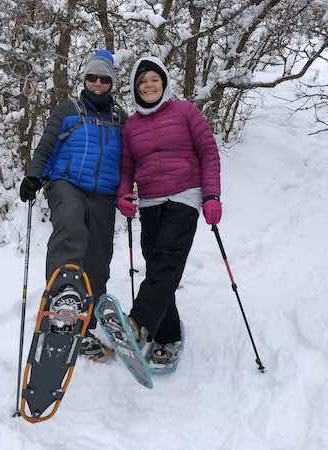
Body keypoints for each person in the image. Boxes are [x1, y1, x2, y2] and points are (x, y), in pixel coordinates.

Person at [19, 49, 126, 359]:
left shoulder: (121, 118)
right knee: (70, 222)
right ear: (84, 79)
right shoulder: (68, 110)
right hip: (67, 182)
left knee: (98, 258)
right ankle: (63, 296)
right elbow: (46, 146)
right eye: (91, 77)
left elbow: (133, 157)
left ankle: (86, 323)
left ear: (111, 83)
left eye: (103, 79)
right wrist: (34, 176)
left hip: (104, 194)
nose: (96, 83)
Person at [116, 56, 222, 366]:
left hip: (184, 197)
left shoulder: (185, 111)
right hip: (149, 203)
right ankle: (168, 334)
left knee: (164, 261)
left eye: (154, 79)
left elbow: (208, 153)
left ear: (164, 82)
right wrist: (124, 194)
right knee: (160, 269)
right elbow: (127, 166)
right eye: (142, 81)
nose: (148, 85)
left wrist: (211, 195)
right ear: (136, 89)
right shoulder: (131, 125)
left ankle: (136, 324)